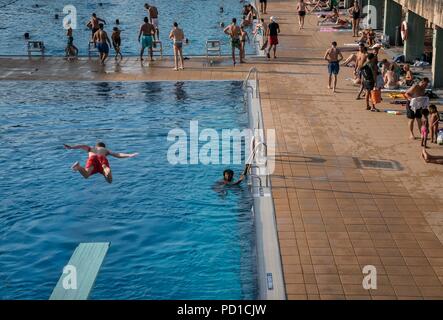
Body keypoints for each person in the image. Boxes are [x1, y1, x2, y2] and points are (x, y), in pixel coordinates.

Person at [64, 142, 138, 184]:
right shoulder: (105, 149)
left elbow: (81, 146)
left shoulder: (91, 148)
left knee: (86, 175)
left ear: (96, 146)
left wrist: (71, 147)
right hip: (101, 158)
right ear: (103, 146)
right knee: (110, 181)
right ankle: (106, 169)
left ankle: (79, 167)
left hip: (92, 158)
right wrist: (129, 155)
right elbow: (117, 154)